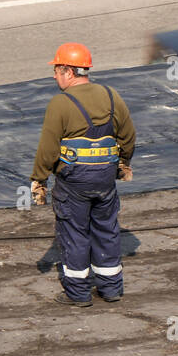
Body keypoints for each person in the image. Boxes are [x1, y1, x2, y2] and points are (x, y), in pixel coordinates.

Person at [29, 43, 135, 307]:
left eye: (56, 70)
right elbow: (128, 136)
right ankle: (111, 289)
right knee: (107, 229)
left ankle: (78, 293)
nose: (54, 76)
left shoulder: (61, 103)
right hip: (105, 178)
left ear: (68, 71)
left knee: (75, 232)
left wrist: (39, 179)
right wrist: (123, 163)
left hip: (74, 181)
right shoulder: (111, 95)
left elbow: (48, 147)